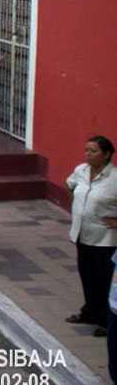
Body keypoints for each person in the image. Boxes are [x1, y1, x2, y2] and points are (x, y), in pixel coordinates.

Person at [66, 135, 117, 335]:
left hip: (105, 239)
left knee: (103, 279)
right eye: (87, 150)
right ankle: (89, 311)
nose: (88, 154)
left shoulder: (114, 178)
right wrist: (78, 208)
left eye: (93, 151)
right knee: (86, 275)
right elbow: (69, 185)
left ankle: (104, 320)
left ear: (106, 155)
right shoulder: (81, 170)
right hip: (82, 234)